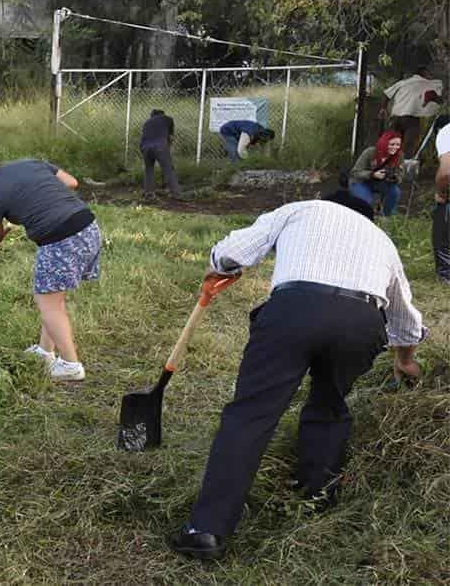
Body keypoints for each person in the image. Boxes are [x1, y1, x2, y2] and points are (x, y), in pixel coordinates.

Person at [169, 190, 425, 561]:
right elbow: (405, 316)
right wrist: (405, 359)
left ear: (327, 201)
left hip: (294, 309)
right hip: (361, 323)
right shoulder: (382, 240)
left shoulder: (301, 209)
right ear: (368, 218)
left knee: (251, 414)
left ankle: (206, 530)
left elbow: (234, 250)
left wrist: (218, 266)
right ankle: (314, 498)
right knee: (330, 403)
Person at [0, 148, 99, 381]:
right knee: (52, 297)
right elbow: (71, 183)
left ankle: (70, 365)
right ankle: (45, 351)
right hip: (88, 228)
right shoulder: (28, 163)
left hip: (62, 238)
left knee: (47, 302)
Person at [348, 125, 404, 216]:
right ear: (384, 143)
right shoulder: (370, 152)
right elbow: (355, 172)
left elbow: (401, 174)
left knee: (395, 192)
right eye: (392, 144)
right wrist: (372, 174)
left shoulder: (399, 156)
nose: (395, 147)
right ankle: (363, 218)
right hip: (360, 181)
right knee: (367, 201)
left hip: (380, 182)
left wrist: (395, 178)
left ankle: (387, 216)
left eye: (398, 145)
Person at [380, 66, 443, 148]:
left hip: (395, 118)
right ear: (424, 74)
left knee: (392, 146)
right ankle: (405, 158)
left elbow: (386, 94)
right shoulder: (429, 83)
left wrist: (383, 108)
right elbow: (440, 100)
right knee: (408, 147)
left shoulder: (403, 83)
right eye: (429, 74)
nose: (431, 76)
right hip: (411, 119)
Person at [140, 109, 180, 198]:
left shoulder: (147, 122)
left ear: (152, 115)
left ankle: (149, 193)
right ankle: (175, 193)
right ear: (163, 114)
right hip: (160, 146)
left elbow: (143, 138)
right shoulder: (168, 119)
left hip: (145, 147)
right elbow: (170, 136)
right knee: (168, 169)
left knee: (149, 169)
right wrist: (167, 148)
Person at [432, 118, 450, 282]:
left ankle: (446, 274)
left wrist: (441, 193)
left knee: (442, 230)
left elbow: (446, 172)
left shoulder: (446, 132)